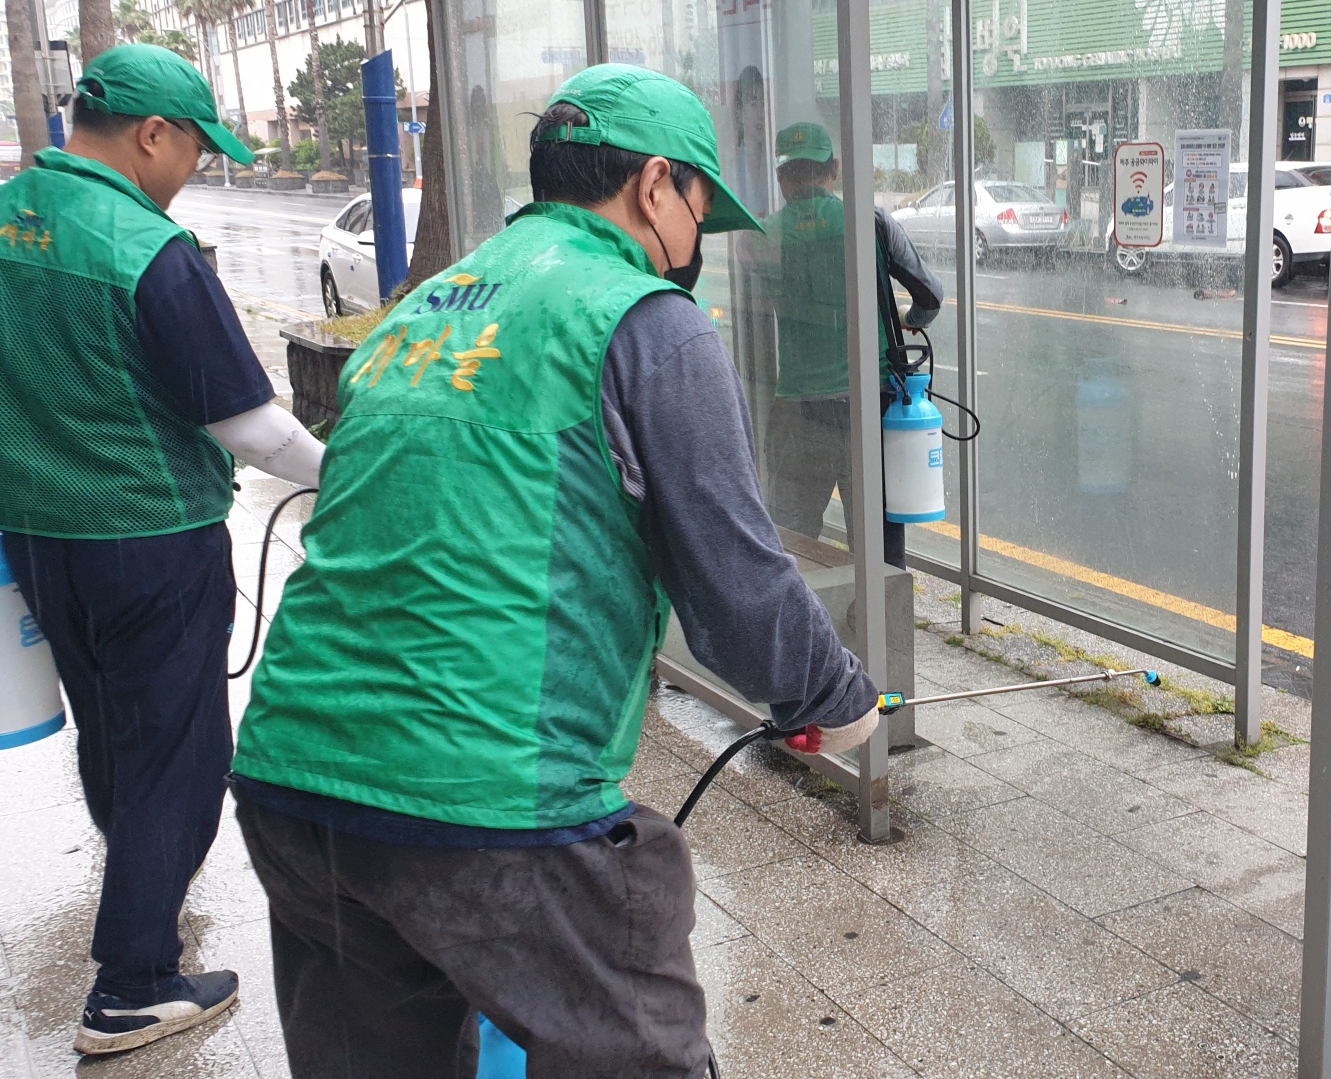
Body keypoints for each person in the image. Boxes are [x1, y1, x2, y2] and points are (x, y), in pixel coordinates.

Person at [227, 65, 882, 1078]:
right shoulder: (644, 319)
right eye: (700, 209)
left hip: (292, 779)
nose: (697, 243)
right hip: (488, 804)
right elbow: (735, 586)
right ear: (656, 186)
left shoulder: (425, 308)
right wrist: (838, 700)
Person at [0, 43, 324, 1055]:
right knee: (181, 756)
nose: (194, 169)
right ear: (152, 134)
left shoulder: (8, 213)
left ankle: (141, 904)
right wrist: (357, 480)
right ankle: (133, 981)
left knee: (113, 732)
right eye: (194, 147)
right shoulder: (147, 249)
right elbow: (250, 427)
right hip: (151, 540)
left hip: (43, 540)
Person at [760, 121, 943, 565]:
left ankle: (811, 629)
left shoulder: (763, 233)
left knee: (794, 535)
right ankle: (884, 630)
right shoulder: (872, 222)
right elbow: (931, 296)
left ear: (782, 177)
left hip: (800, 406)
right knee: (878, 536)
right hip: (871, 402)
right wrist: (909, 320)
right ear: (834, 169)